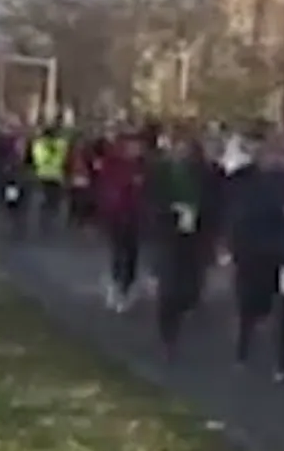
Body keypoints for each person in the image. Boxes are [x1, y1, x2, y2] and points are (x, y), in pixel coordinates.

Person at [225, 133, 284, 379]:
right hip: (257, 256)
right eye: (279, 154)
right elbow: (239, 218)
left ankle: (283, 362)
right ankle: (244, 349)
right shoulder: (250, 182)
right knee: (251, 306)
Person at [149, 133, 221, 356]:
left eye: (187, 150)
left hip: (196, 237)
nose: (182, 154)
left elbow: (217, 203)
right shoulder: (161, 173)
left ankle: (184, 306)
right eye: (179, 149)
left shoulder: (208, 174)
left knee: (191, 285)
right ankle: (168, 335)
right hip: (169, 236)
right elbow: (151, 201)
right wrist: (169, 212)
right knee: (169, 287)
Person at [93, 134, 149, 313]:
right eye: (133, 146)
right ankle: (117, 285)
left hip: (136, 216)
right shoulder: (113, 163)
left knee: (131, 253)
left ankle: (126, 285)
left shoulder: (145, 166)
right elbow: (105, 186)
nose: (136, 149)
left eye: (139, 146)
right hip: (116, 214)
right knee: (118, 251)